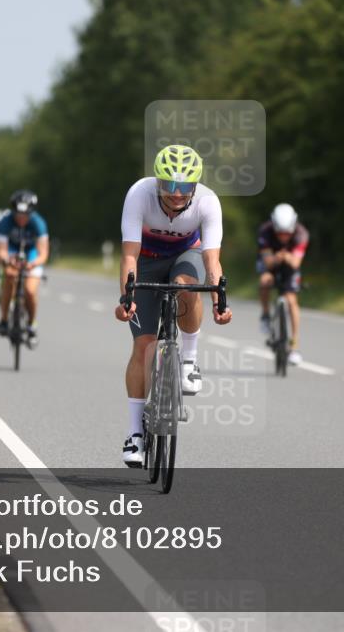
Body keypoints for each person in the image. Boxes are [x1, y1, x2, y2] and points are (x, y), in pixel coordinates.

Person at [114, 144, 232, 467]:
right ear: (157, 182)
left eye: (185, 187)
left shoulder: (207, 202)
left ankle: (189, 361)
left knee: (185, 286)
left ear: (195, 185)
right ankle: (134, 433)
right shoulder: (139, 194)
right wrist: (127, 298)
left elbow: (212, 261)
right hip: (147, 260)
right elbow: (129, 255)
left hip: (186, 255)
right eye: (170, 186)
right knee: (143, 346)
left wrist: (219, 301)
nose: (177, 194)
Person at [257, 203, 309, 365]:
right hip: (270, 264)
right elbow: (267, 261)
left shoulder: (301, 234)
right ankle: (265, 316)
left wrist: (286, 258)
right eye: (280, 233)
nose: (283, 237)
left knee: (292, 300)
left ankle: (294, 346)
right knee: (265, 281)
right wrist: (277, 258)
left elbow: (296, 263)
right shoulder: (265, 232)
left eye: (287, 233)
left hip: (289, 266)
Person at [0, 190, 49, 345]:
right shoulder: (5, 222)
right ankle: (4, 319)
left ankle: (32, 324)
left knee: (30, 291)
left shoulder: (38, 223)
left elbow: (43, 253)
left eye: (25, 215)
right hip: (12, 251)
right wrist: (7, 260)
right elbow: (1, 250)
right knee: (10, 276)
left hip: (32, 254)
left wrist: (33, 264)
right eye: (18, 214)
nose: (21, 218)